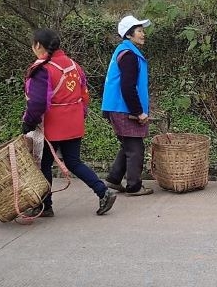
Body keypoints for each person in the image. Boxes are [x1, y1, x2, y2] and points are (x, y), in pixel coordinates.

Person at [21, 29, 116, 216]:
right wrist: (80, 114)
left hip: (53, 125)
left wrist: (29, 122)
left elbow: (38, 102)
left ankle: (44, 205)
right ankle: (103, 191)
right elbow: (84, 94)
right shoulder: (73, 65)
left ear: (38, 45)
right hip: (73, 121)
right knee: (73, 161)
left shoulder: (43, 69)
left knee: (44, 165)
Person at [101, 15, 154, 196]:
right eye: (139, 31)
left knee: (128, 145)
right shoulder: (129, 55)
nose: (143, 34)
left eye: (142, 30)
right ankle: (134, 186)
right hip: (122, 108)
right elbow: (127, 87)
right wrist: (138, 112)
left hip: (117, 107)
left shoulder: (126, 51)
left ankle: (114, 179)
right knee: (135, 148)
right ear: (129, 35)